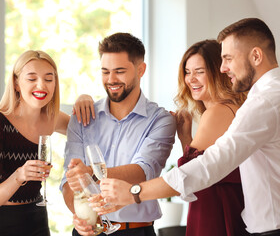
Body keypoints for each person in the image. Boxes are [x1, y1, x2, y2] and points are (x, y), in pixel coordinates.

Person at [99, 18, 280, 235]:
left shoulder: (265, 101)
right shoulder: (263, 98)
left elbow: (211, 164)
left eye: (228, 58)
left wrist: (134, 192)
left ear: (256, 56)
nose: (224, 68)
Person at [61, 32, 176, 236]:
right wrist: (80, 217)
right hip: (88, 231)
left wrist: (88, 173)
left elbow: (142, 171)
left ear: (141, 70)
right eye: (105, 71)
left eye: (119, 71)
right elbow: (69, 181)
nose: (111, 79)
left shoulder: (160, 120)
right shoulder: (82, 117)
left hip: (135, 231)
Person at [0, 50, 72, 236]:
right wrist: (20, 175)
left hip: (36, 217)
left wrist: (85, 100)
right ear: (17, 83)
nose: (41, 85)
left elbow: (89, 133)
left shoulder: (52, 119)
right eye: (32, 79)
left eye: (49, 79)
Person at [172, 39, 248, 235]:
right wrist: (185, 138)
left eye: (199, 71)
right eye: (187, 72)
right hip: (217, 207)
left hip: (215, 213)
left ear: (217, 72)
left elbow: (187, 176)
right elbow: (201, 170)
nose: (191, 79)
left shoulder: (218, 112)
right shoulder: (229, 109)